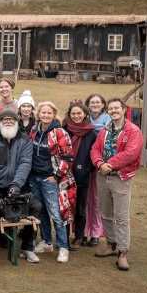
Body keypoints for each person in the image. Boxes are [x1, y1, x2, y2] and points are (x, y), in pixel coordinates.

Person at [0, 109, 41, 264]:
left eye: (11, 119)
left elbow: (25, 164)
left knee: (35, 207)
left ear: (16, 121)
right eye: (5, 119)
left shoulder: (25, 140)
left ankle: (27, 248)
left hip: (19, 187)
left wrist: (16, 185)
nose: (8, 122)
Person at [90, 97, 142, 271]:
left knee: (121, 216)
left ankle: (122, 252)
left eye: (116, 108)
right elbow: (95, 149)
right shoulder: (105, 130)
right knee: (105, 213)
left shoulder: (133, 131)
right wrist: (99, 164)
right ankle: (111, 245)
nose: (113, 111)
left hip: (121, 177)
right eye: (110, 109)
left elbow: (131, 154)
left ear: (123, 109)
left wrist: (108, 165)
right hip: (103, 176)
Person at [29, 101, 76, 263]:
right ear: (38, 114)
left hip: (50, 179)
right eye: (43, 112)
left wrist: (56, 175)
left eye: (49, 113)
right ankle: (47, 242)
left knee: (56, 214)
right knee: (41, 211)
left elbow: (67, 156)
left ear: (54, 114)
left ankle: (63, 247)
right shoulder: (35, 130)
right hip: (34, 177)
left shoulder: (60, 133)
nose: (46, 115)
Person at [63, 102, 97, 250]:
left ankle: (78, 237)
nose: (76, 116)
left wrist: (87, 169)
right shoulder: (64, 130)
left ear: (85, 114)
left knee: (81, 209)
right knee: (65, 208)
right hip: (64, 176)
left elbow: (94, 153)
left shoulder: (91, 132)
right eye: (73, 114)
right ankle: (63, 236)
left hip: (82, 177)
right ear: (69, 115)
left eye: (79, 113)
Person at [83, 93, 111, 246]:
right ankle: (83, 231)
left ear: (102, 104)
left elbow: (106, 131)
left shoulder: (107, 118)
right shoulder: (84, 116)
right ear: (88, 104)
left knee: (96, 200)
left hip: (100, 163)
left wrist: (92, 129)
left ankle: (95, 232)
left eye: (97, 102)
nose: (95, 105)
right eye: (92, 102)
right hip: (84, 162)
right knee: (83, 200)